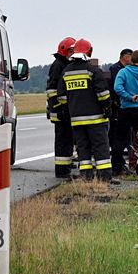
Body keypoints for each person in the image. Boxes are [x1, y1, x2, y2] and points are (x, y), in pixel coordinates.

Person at [57, 38, 112, 181]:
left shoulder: (66, 72)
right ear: (89, 51)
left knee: (83, 148)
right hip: (95, 119)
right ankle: (104, 178)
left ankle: (86, 177)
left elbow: (61, 96)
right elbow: (103, 94)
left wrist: (67, 109)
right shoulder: (93, 70)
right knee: (100, 147)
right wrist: (107, 108)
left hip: (76, 120)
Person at [46, 37, 75, 178]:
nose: (73, 53)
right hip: (60, 111)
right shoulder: (58, 65)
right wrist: (60, 108)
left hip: (64, 110)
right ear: (64, 51)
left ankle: (66, 168)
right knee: (63, 141)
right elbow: (52, 90)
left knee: (68, 141)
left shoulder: (65, 64)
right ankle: (62, 171)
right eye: (71, 50)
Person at [107, 48, 133, 175]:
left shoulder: (128, 69)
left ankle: (121, 162)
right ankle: (118, 163)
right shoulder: (114, 69)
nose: (131, 59)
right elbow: (112, 87)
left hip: (125, 106)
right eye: (130, 56)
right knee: (116, 136)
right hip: (116, 107)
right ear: (124, 56)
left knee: (126, 136)